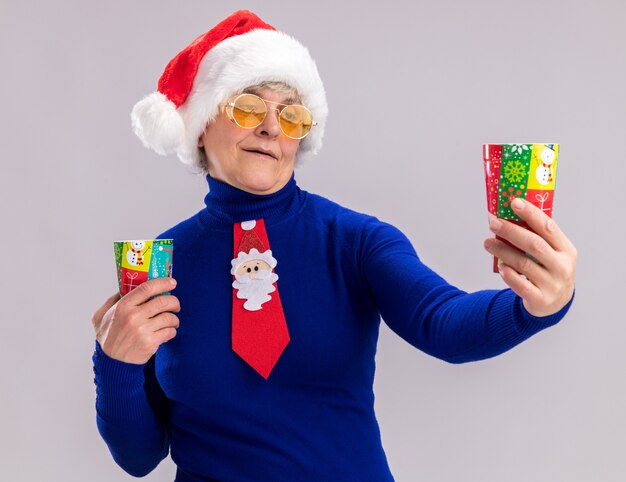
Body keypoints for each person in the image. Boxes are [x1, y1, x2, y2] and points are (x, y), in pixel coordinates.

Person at [91, 10, 577, 482]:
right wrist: (115, 363)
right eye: (247, 106)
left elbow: (443, 322)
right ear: (200, 124)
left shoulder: (358, 241)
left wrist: (534, 307)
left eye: (291, 115)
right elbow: (138, 456)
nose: (270, 128)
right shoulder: (161, 259)